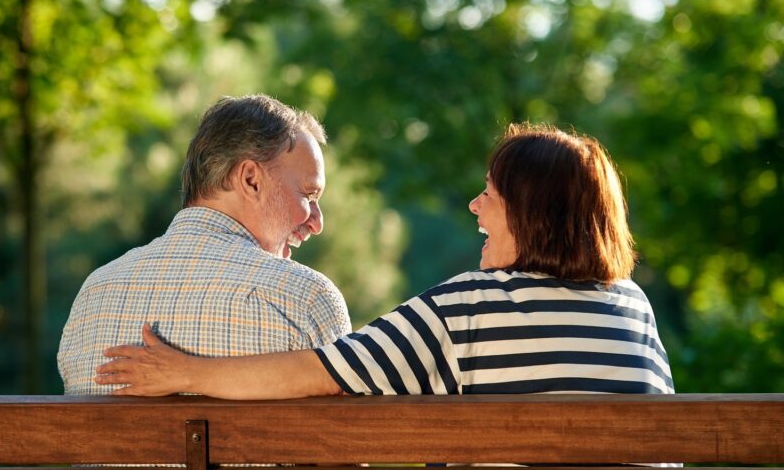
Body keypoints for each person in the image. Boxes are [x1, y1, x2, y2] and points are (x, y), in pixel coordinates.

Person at [94, 123, 674, 400]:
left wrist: (185, 372)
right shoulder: (633, 306)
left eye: (491, 194)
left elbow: (318, 372)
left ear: (533, 213)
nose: (474, 204)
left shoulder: (466, 308)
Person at [58, 94, 352, 395]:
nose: (317, 222)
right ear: (251, 179)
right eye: (308, 195)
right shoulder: (305, 299)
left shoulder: (94, 295)